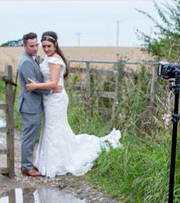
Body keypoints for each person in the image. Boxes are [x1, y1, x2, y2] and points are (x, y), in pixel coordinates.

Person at [25, 31, 122, 177]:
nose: (45, 49)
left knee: (54, 129)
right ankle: (51, 161)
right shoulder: (49, 57)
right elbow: (52, 83)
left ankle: (57, 164)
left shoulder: (55, 60)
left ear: (55, 44)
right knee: (52, 128)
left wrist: (36, 86)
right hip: (51, 98)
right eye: (43, 46)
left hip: (56, 100)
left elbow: (53, 83)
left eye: (49, 46)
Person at [16, 32, 61, 177]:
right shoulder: (26, 62)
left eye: (36, 45)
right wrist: (51, 89)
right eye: (31, 46)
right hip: (29, 105)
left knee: (31, 135)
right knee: (29, 136)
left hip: (33, 104)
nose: (35, 48)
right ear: (24, 46)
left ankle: (28, 164)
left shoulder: (31, 58)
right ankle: (26, 167)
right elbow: (32, 85)